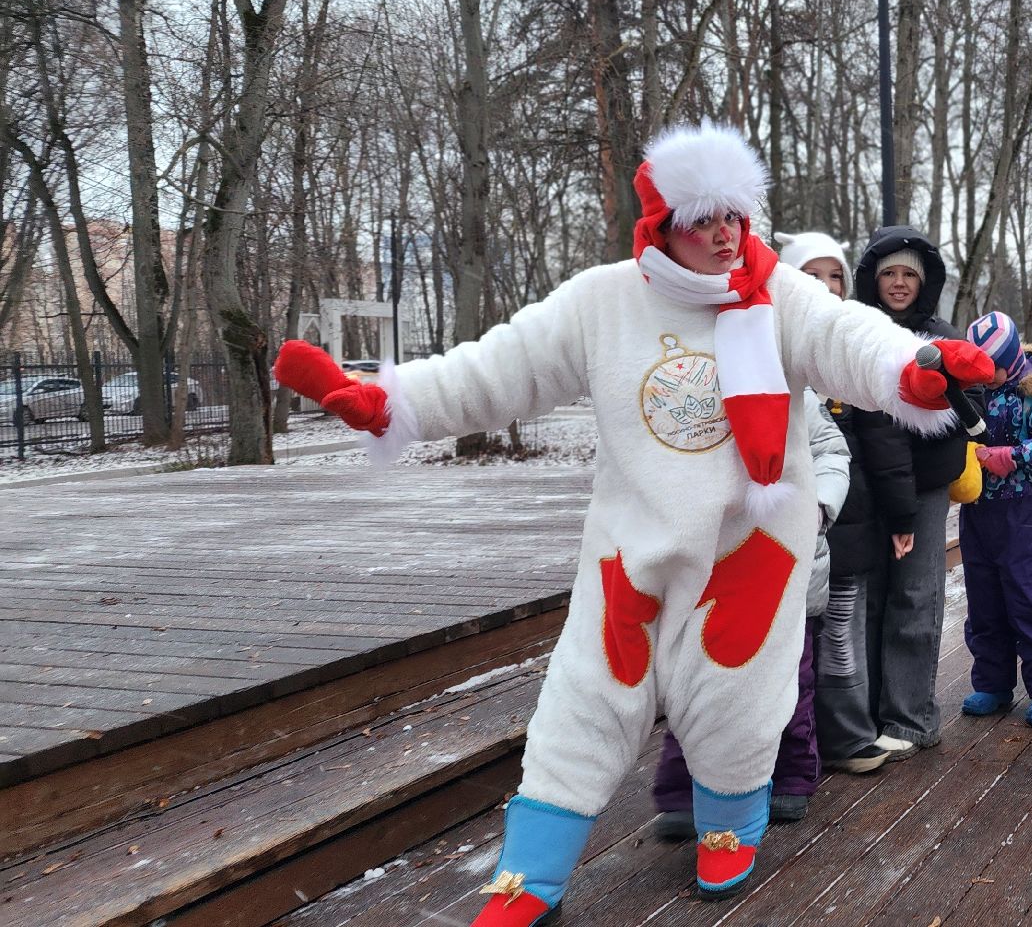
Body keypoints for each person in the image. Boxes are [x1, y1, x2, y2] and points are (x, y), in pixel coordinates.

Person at [271, 123, 992, 919]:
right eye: (702, 220)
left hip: (749, 549)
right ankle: (527, 873)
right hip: (632, 543)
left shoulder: (781, 296)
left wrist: (917, 374)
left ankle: (731, 824)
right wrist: (389, 403)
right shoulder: (602, 299)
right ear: (662, 226)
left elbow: (853, 340)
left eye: (734, 218)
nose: (724, 236)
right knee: (587, 695)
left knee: (736, 698)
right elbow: (500, 368)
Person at [650, 390, 848, 834]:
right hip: (717, 564)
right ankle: (685, 785)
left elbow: (831, 451)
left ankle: (791, 777)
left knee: (791, 677)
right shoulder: (698, 394)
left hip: (787, 562)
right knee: (696, 677)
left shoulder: (797, 395)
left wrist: (818, 506)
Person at [774, 232, 916, 775]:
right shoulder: (775, 348)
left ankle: (845, 736)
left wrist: (900, 513)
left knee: (838, 637)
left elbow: (882, 441)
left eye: (836, 277)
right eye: (812, 278)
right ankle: (788, 746)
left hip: (845, 522)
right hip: (782, 527)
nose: (827, 288)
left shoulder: (847, 352)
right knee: (790, 645)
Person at [853, 225, 973, 758]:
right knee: (867, 595)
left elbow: (969, 415)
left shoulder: (943, 339)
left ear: (925, 282)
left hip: (923, 486)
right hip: (864, 484)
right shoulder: (853, 331)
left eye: (909, 275)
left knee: (915, 592)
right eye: (889, 274)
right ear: (872, 280)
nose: (899, 284)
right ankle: (864, 714)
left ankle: (908, 717)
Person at [957, 312, 1032, 726]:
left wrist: (1013, 455)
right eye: (979, 368)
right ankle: (992, 682)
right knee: (984, 600)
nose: (985, 376)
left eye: (992, 368)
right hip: (976, 510)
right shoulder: (974, 391)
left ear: (1010, 359)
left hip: (1022, 512)